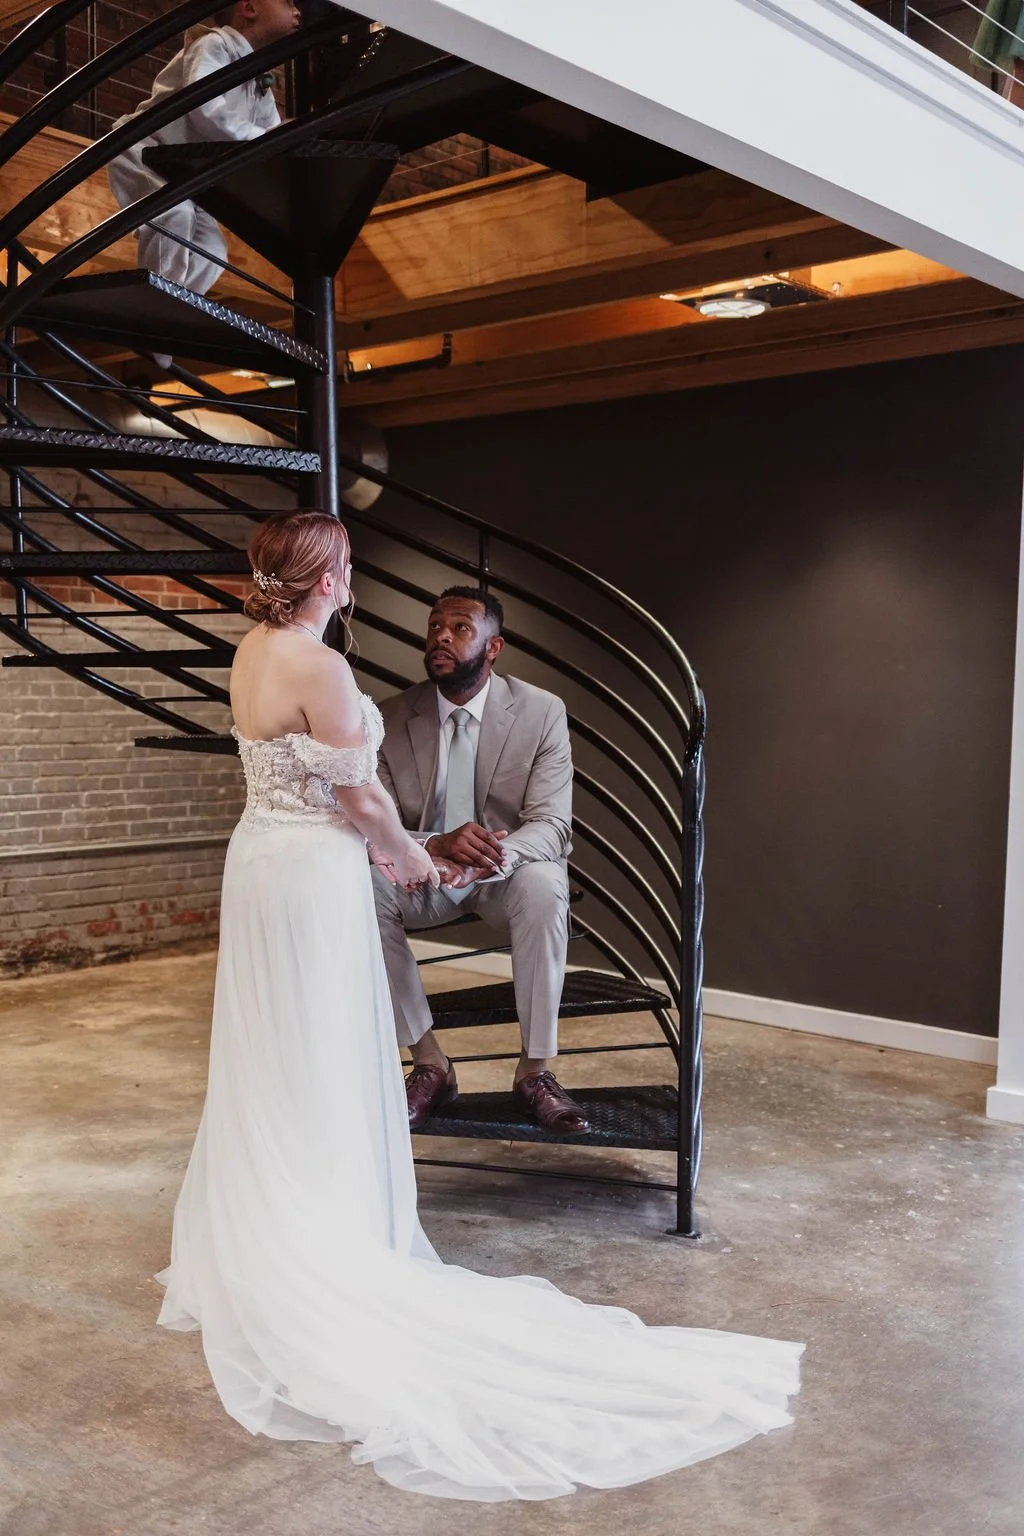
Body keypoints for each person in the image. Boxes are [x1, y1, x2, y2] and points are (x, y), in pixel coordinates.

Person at [156, 509, 803, 1502]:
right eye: (346, 565)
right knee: (320, 1051)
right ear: (325, 578)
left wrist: (409, 845)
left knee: (280, 1057)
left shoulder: (254, 647)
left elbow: (363, 793)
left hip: (262, 865)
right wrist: (409, 856)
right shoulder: (322, 667)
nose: (355, 578)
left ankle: (284, 1222)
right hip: (317, 873)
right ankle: (330, 1240)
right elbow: (362, 799)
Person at [373, 587, 590, 1134]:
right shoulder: (391, 717)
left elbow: (552, 824)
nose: (442, 635)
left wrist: (485, 859)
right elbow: (379, 824)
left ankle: (535, 1070)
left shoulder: (541, 711)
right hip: (425, 872)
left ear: (494, 647)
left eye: (461, 628)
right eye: (435, 626)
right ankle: (429, 1063)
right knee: (360, 889)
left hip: (502, 875)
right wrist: (433, 847)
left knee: (546, 884)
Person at [107, 0, 298, 301]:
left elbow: (272, 136)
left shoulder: (258, 80)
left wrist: (286, 140)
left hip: (186, 175)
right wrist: (265, 138)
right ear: (249, 7)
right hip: (145, 150)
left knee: (213, 250)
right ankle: (152, 307)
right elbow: (205, 109)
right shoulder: (212, 44)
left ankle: (172, 312)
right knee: (173, 216)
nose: (298, 11)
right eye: (288, 2)